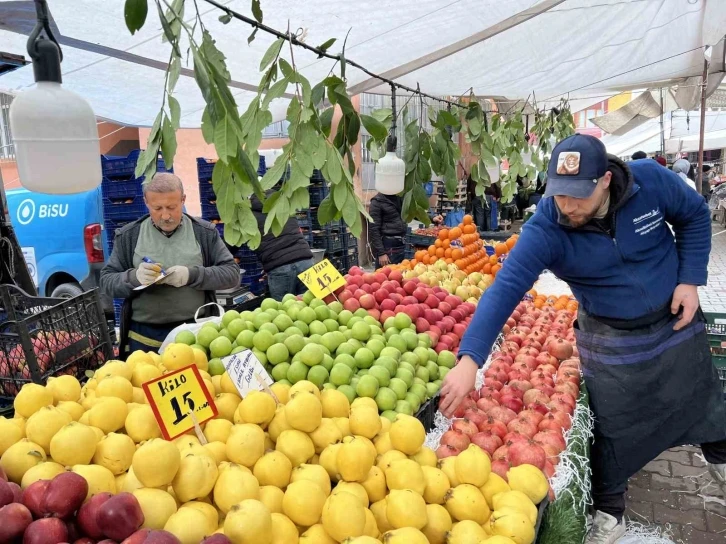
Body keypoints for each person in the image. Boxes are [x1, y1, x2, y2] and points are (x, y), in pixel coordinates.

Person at [439, 134, 726, 544]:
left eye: (578, 195)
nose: (567, 206)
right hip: (610, 337)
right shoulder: (546, 228)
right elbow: (504, 289)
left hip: (674, 321)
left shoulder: (649, 180)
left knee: (701, 397)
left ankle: (720, 457)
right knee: (613, 427)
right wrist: (470, 360)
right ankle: (610, 511)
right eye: (559, 194)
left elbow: (696, 215)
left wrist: (690, 279)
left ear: (605, 180)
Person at [100, 173, 240, 355]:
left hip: (195, 334)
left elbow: (231, 274)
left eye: (172, 207)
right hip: (144, 339)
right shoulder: (129, 236)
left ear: (183, 200)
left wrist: (191, 275)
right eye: (157, 208)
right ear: (146, 202)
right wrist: (134, 277)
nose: (165, 215)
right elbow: (106, 281)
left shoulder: (204, 233)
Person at [249, 191, 314, 301]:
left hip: (279, 266)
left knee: (284, 311)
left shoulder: (249, 216)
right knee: (310, 307)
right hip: (305, 261)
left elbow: (234, 242)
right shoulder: (284, 206)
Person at [369, 192, 407, 267]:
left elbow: (412, 212)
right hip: (388, 247)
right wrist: (381, 253)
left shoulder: (399, 198)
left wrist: (432, 218)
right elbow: (374, 229)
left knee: (399, 275)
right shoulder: (377, 202)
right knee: (385, 276)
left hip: (401, 245)